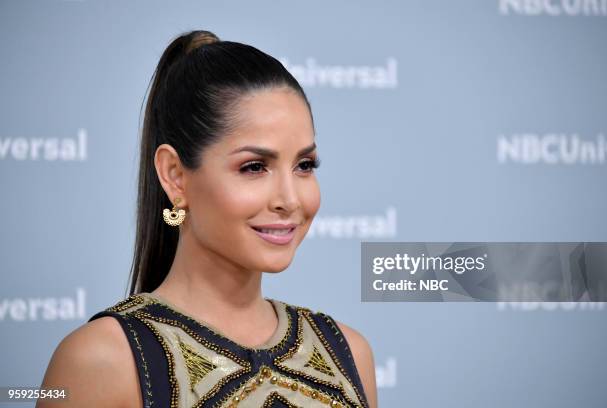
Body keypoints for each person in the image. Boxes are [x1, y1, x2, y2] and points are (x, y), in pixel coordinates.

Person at [37, 30, 377, 408]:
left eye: (304, 165)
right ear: (175, 175)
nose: (290, 199)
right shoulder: (101, 361)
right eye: (254, 167)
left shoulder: (348, 354)